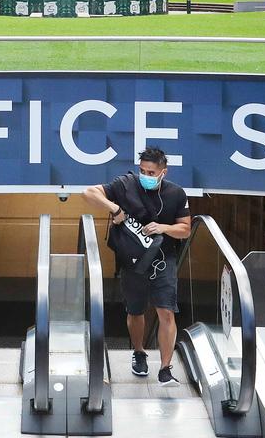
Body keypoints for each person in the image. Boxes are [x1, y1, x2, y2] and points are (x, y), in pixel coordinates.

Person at [83, 147, 191, 386]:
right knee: (135, 311)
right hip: (132, 261)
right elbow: (88, 193)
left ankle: (165, 367)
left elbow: (185, 229)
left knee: (166, 311)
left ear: (163, 172)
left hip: (164, 260)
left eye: (151, 172)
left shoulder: (176, 193)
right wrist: (115, 209)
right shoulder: (126, 185)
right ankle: (139, 352)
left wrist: (163, 228)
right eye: (143, 170)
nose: (146, 175)